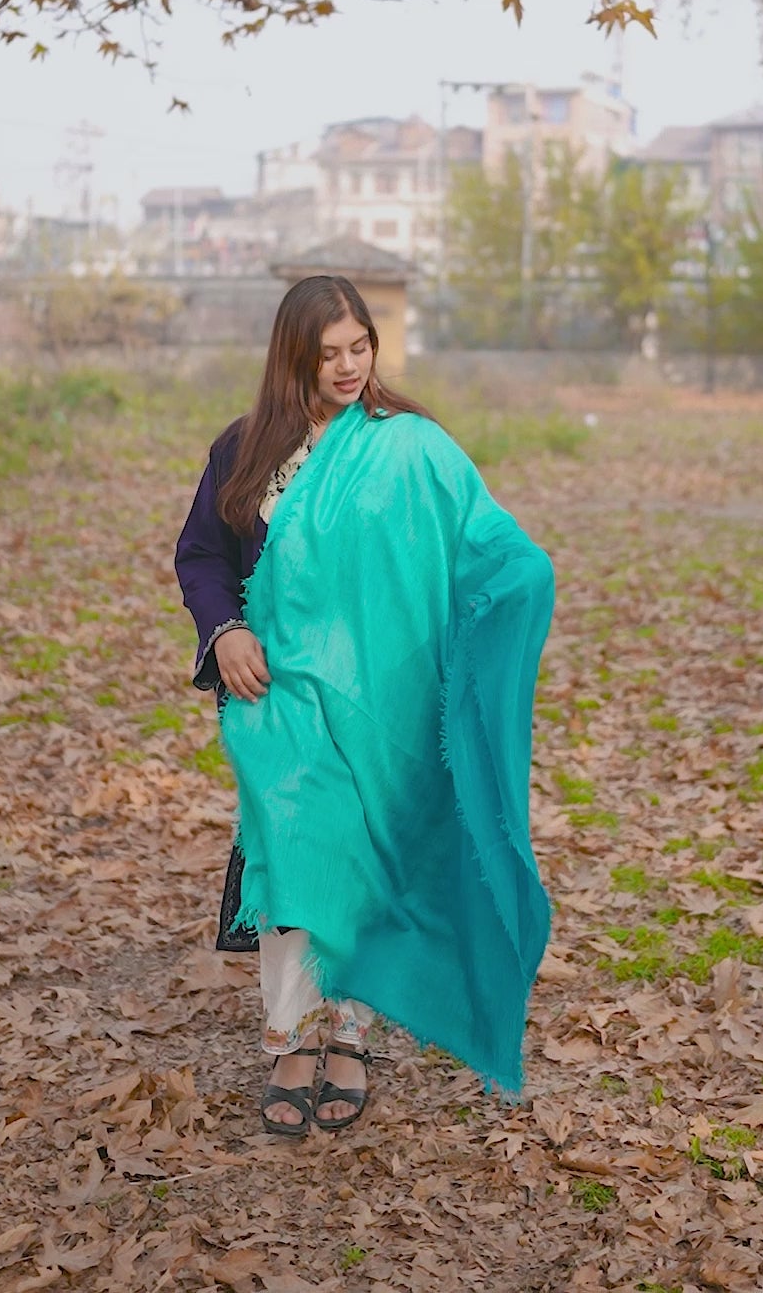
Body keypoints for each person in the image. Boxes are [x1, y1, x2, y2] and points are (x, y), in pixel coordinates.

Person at [174, 275, 554, 1136]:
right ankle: (292, 1043)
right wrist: (225, 627)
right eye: (328, 354)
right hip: (280, 700)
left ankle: (350, 1037)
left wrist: (525, 575)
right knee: (299, 862)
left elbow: (478, 539)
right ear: (292, 359)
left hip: (388, 700)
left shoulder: (410, 446)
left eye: (361, 347)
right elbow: (200, 555)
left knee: (365, 865)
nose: (348, 367)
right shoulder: (243, 451)